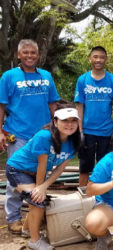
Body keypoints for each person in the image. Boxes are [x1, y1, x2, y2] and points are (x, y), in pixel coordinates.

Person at [0, 39, 60, 234]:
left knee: (39, 178)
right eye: (25, 52)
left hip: (42, 136)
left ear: (38, 55)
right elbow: (1, 106)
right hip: (18, 136)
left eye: (33, 53)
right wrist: (0, 131)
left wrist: (56, 127)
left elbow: (53, 104)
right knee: (15, 180)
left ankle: (34, 216)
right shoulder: (9, 77)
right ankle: (14, 218)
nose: (29, 56)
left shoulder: (46, 76)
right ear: (18, 55)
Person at [5, 103, 80, 250]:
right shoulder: (44, 136)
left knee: (38, 198)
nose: (69, 124)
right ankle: (35, 240)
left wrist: (43, 187)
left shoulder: (74, 141)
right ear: (55, 121)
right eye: (65, 120)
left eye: (73, 120)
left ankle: (27, 229)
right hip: (17, 169)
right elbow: (42, 165)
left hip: (37, 172)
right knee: (38, 200)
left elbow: (59, 169)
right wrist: (40, 188)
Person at [74, 46, 113, 187]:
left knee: (104, 167)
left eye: (101, 57)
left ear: (106, 59)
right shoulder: (83, 80)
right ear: (90, 59)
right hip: (87, 132)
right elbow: (79, 105)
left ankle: (102, 198)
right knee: (85, 168)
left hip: (106, 131)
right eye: (95, 57)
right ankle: (82, 198)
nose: (98, 60)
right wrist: (79, 130)